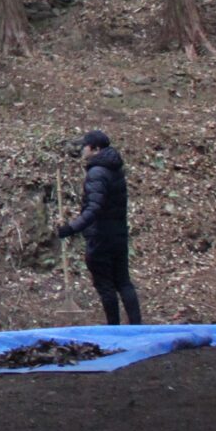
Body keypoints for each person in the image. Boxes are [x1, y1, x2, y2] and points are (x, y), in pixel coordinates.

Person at [55, 129, 142, 325]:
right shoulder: (115, 168)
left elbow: (94, 208)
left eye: (84, 146)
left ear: (94, 149)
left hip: (101, 237)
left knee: (106, 286)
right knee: (123, 282)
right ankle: (137, 327)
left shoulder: (97, 172)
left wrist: (70, 228)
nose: (82, 150)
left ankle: (113, 330)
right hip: (118, 234)